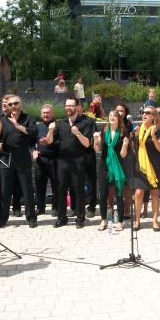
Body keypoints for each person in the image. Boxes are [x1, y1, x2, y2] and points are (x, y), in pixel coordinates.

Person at [47, 97, 92, 229]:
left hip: (78, 160)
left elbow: (87, 144)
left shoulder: (85, 122)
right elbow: (50, 142)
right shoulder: (60, 123)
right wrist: (50, 130)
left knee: (78, 190)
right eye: (67, 105)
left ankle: (80, 218)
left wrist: (78, 133)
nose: (68, 108)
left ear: (77, 107)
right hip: (62, 161)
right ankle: (62, 218)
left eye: (71, 106)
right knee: (60, 189)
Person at [0, 95, 38, 228]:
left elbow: (34, 132)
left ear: (20, 104)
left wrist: (18, 126)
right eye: (11, 104)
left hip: (22, 155)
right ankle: (3, 218)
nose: (13, 106)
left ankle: (31, 218)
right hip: (6, 156)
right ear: (8, 106)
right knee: (5, 190)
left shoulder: (28, 118)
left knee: (27, 188)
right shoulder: (2, 119)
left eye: (16, 103)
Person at [93, 110, 129, 232]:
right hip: (104, 167)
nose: (112, 117)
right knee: (102, 195)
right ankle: (104, 220)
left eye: (114, 116)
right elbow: (97, 149)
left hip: (118, 167)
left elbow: (123, 155)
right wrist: (96, 140)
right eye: (110, 116)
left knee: (119, 196)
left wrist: (125, 144)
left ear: (119, 119)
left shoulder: (123, 133)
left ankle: (119, 221)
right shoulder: (104, 131)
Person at [131, 105, 160, 231]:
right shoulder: (139, 129)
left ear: (154, 116)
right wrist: (134, 135)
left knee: (155, 193)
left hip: (154, 165)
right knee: (139, 193)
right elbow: (135, 148)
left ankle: (155, 220)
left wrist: (153, 136)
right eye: (143, 113)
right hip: (140, 165)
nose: (144, 115)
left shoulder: (158, 129)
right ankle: (137, 220)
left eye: (147, 113)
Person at [33, 104, 58, 216]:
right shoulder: (37, 127)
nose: (46, 115)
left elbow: (61, 142)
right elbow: (31, 142)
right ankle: (40, 208)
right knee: (39, 185)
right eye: (44, 113)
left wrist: (50, 142)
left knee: (56, 185)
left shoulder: (58, 125)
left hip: (55, 159)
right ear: (41, 114)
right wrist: (33, 150)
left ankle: (56, 208)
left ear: (52, 113)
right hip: (41, 159)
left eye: (48, 112)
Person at [115, 104, 133, 219]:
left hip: (126, 157)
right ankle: (114, 209)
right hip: (114, 157)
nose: (120, 113)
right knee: (114, 185)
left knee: (126, 185)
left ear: (126, 113)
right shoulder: (111, 125)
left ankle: (127, 209)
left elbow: (131, 141)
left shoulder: (129, 125)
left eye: (122, 111)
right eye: (118, 111)